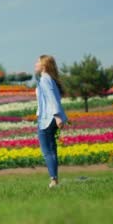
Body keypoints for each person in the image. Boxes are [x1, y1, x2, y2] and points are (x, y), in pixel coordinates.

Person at [35, 55, 68, 188]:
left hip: (47, 119)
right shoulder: (49, 79)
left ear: (44, 66)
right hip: (51, 118)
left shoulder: (44, 79)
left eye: (37, 62)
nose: (35, 64)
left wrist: (57, 115)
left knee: (47, 151)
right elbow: (52, 98)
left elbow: (51, 98)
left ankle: (53, 180)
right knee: (52, 150)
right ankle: (55, 179)